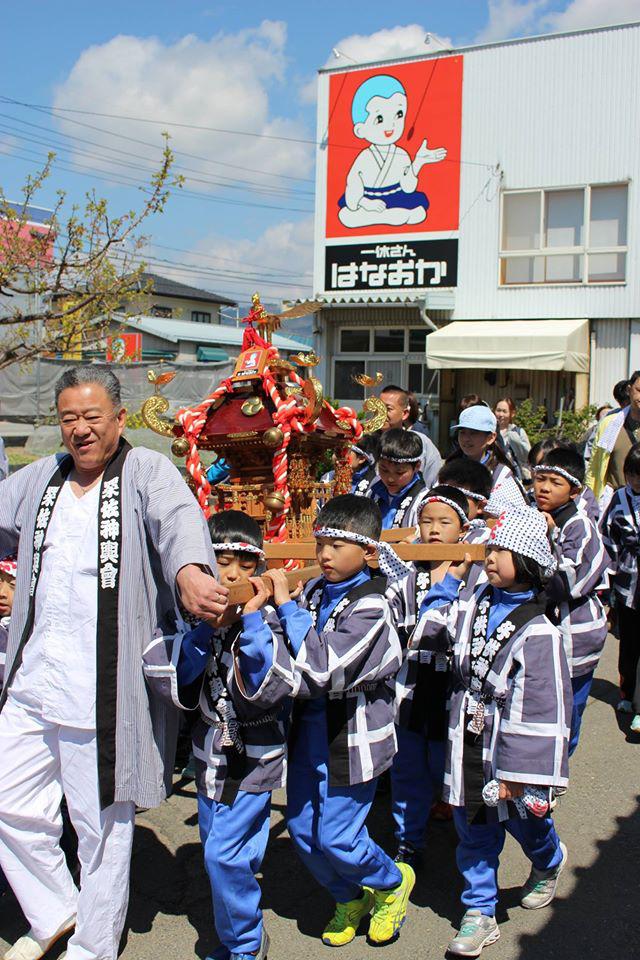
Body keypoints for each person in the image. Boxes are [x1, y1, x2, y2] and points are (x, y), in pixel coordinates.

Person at [0, 366, 228, 960]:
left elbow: (178, 523)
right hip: (31, 676)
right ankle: (55, 908)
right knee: (8, 800)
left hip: (103, 685)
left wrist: (189, 572)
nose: (79, 430)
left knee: (100, 822)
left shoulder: (147, 471)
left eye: (91, 417)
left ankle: (95, 945)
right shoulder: (39, 479)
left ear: (119, 419)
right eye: (68, 419)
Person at [235, 495, 415, 948]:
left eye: (337, 545)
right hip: (307, 734)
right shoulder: (313, 591)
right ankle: (350, 895)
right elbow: (284, 647)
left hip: (352, 737)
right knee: (301, 830)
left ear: (369, 553)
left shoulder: (374, 605)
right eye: (321, 544)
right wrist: (268, 608)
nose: (324, 556)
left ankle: (392, 883)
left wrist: (288, 610)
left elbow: (323, 668)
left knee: (337, 836)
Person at [413, 508, 571, 956]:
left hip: (507, 738)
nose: (491, 558)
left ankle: (548, 860)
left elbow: (542, 703)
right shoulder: (473, 597)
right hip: (467, 727)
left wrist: (520, 771)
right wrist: (445, 585)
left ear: (529, 561)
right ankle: (479, 910)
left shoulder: (541, 631)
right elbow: (430, 630)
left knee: (524, 817)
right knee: (472, 822)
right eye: (490, 549)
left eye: (502, 551)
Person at [144, 511, 288, 960]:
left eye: (245, 565)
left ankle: (245, 945)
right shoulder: (189, 617)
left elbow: (269, 683)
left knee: (223, 856)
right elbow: (178, 673)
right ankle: (238, 935)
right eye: (221, 561)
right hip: (208, 754)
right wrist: (206, 628)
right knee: (224, 851)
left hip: (254, 753)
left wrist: (250, 622)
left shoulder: (269, 618)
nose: (232, 574)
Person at [389, 486, 469, 867]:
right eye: (426, 521)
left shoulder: (474, 574)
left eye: (444, 522)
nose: (434, 529)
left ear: (463, 528)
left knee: (451, 767)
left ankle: (471, 843)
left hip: (453, 692)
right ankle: (409, 841)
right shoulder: (407, 573)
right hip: (409, 687)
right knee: (408, 772)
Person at [532, 447, 610, 756]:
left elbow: (565, 584)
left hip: (575, 635)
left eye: (554, 482)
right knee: (541, 705)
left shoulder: (581, 527)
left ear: (575, 490)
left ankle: (559, 766)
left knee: (570, 709)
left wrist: (548, 538)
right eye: (540, 479)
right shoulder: (532, 514)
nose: (544, 488)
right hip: (542, 630)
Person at [602, 444, 640, 731]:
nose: (635, 481)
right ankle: (626, 692)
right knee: (629, 643)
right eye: (631, 474)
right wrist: (607, 584)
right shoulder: (618, 499)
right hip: (628, 584)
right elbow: (607, 539)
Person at [448, 405, 526, 507]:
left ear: (491, 438)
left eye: (473, 433)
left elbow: (516, 512)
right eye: (462, 432)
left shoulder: (501, 474)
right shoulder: (449, 467)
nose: (466, 438)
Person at [586, 369, 640, 506]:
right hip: (615, 503)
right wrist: (589, 502)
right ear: (629, 389)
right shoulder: (609, 424)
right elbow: (594, 468)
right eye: (639, 390)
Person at [379, 385, 441, 488]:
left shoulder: (421, 442)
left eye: (388, 409)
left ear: (404, 413)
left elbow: (434, 481)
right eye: (377, 408)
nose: (380, 414)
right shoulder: (367, 441)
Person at [368, 429, 428, 529]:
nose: (390, 479)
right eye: (384, 470)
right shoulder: (372, 492)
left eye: (399, 472)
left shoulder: (423, 501)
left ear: (417, 466)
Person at [529, 439, 599, 524]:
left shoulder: (579, 516)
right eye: (537, 467)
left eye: (556, 482)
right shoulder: (529, 497)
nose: (545, 487)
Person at [493, 398, 530, 480]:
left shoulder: (518, 432)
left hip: (514, 476)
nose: (501, 414)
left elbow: (528, 457)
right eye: (498, 410)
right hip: (494, 474)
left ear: (512, 414)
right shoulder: (490, 432)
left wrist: (515, 440)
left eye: (504, 411)